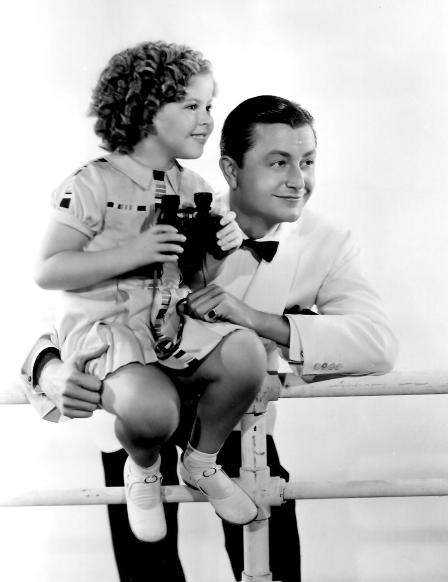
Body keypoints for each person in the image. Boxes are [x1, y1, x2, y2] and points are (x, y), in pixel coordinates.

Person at [21, 95, 398, 581]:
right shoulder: (168, 212)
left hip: (235, 424)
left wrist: (258, 321)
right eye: (278, 162)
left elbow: (377, 344)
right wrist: (50, 368)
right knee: (147, 573)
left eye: (307, 162)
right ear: (230, 170)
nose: (298, 180)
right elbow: (63, 306)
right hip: (141, 420)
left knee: (274, 561)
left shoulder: (327, 242)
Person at [32, 39, 258, 545]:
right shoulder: (91, 184)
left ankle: (201, 461)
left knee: (245, 355)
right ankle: (144, 465)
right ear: (146, 108)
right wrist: (132, 252)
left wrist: (219, 250)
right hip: (110, 333)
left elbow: (195, 280)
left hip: (168, 328)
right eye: (192, 106)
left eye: (209, 106)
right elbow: (48, 270)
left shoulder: (193, 184)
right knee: (153, 412)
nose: (207, 120)